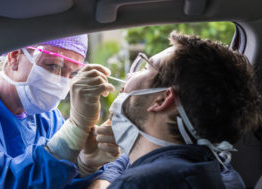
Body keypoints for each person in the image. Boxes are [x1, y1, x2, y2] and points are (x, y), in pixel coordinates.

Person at [0, 35, 119, 188]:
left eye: (72, 73)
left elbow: (50, 183)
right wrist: (73, 133)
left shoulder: (47, 117)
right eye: (53, 65)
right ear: (14, 57)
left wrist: (84, 166)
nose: (61, 81)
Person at [89, 31, 262, 189]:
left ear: (162, 99)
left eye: (145, 68)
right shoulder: (215, 170)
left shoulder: (141, 183)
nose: (129, 75)